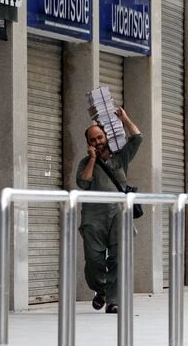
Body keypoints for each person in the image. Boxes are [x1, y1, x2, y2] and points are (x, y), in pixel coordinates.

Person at [76, 107, 142, 314]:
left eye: (100, 137)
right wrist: (93, 159)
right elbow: (83, 183)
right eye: (93, 140)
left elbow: (138, 138)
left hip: (118, 215)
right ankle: (101, 289)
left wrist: (125, 118)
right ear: (89, 144)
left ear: (106, 137)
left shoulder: (120, 158)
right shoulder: (86, 163)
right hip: (93, 219)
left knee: (117, 258)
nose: (98, 142)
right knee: (94, 261)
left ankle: (113, 300)